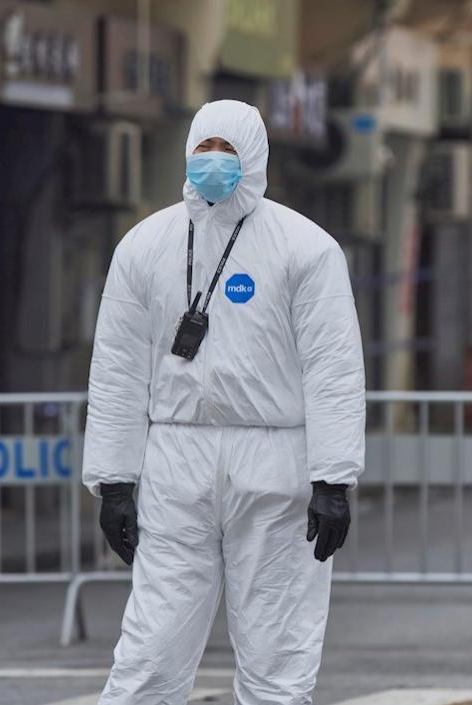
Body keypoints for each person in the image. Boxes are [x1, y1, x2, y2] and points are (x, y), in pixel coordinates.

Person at [83, 99, 366, 703]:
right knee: (150, 653)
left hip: (275, 464)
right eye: (203, 148)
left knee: (276, 654)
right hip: (174, 462)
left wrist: (333, 479)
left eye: (228, 150)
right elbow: (117, 370)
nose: (214, 163)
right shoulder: (145, 245)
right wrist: (113, 480)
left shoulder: (305, 249)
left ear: (256, 156)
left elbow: (333, 370)